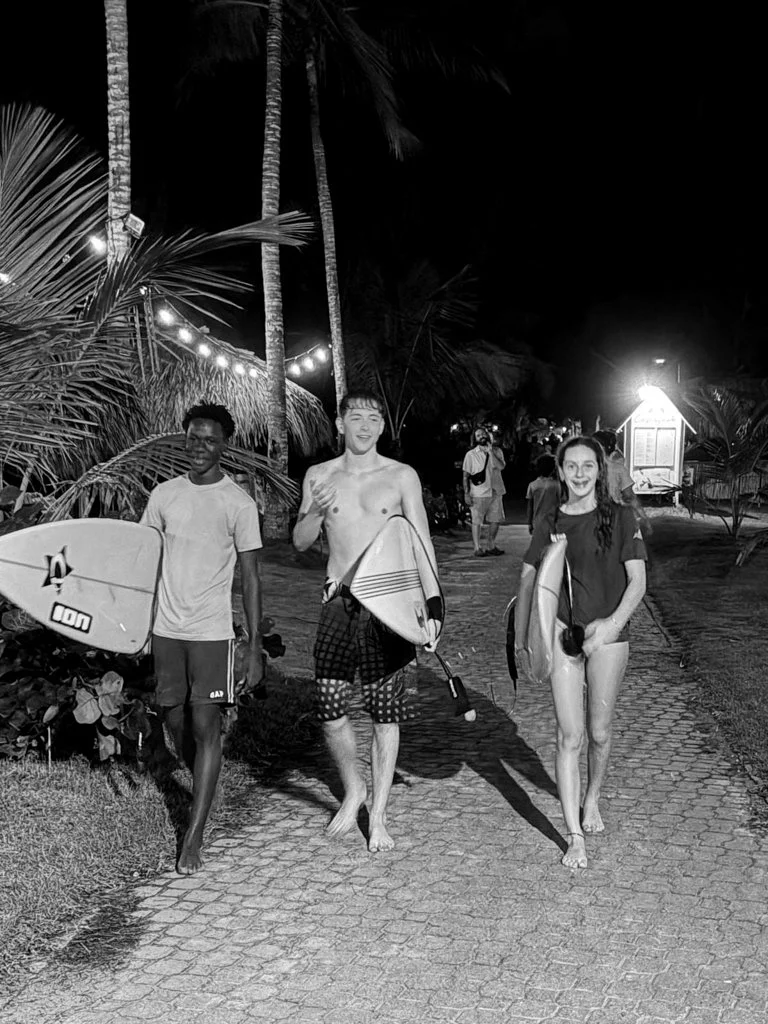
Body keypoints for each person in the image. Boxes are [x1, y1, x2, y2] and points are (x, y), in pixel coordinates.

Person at [293, 390, 442, 853]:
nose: (364, 426)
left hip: (390, 605)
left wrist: (433, 603)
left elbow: (420, 541)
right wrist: (316, 510)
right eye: (355, 417)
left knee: (386, 714)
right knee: (330, 709)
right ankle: (353, 787)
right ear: (340, 424)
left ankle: (378, 814)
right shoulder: (319, 476)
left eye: (373, 418)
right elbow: (300, 542)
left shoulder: (401, 476)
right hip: (339, 602)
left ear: (381, 426)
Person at [141, 403, 264, 875]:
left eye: (210, 440)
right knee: (175, 722)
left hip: (212, 633)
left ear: (224, 445)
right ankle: (206, 784)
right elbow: (143, 559)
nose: (199, 447)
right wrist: (136, 624)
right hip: (166, 630)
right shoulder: (164, 495)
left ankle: (193, 835)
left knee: (204, 725)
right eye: (193, 438)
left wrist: (254, 647)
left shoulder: (238, 503)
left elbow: (251, 579)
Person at [514, 435, 647, 869]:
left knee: (599, 733)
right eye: (571, 466)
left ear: (600, 470)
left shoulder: (622, 517)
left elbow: (638, 582)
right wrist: (524, 638)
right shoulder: (550, 520)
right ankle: (573, 835)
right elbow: (530, 579)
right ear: (560, 470)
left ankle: (592, 797)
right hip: (562, 635)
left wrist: (610, 626)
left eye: (588, 465)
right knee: (568, 736)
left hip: (608, 635)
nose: (579, 473)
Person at [593, 429, 652, 536]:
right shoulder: (618, 469)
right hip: (612, 520)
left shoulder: (582, 470)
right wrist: (644, 519)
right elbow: (630, 497)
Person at [462, 427, 506, 557]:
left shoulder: (497, 451)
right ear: (475, 439)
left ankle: (491, 545)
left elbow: (501, 466)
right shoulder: (471, 455)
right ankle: (477, 548)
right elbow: (465, 475)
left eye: (483, 434)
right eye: (478, 435)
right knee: (477, 521)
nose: (481, 436)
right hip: (479, 492)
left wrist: (491, 451)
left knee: (495, 520)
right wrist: (466, 493)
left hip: (496, 490)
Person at [525, 453, 561, 534]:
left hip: (537, 523)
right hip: (553, 523)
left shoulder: (533, 485)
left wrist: (530, 523)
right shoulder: (557, 485)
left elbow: (530, 507)